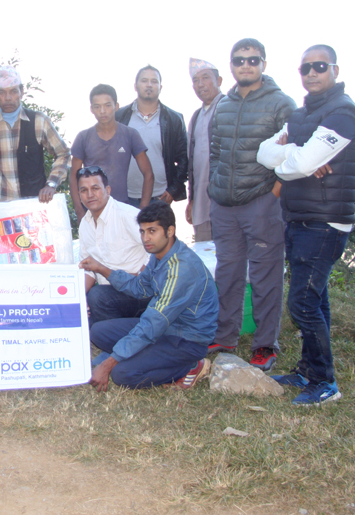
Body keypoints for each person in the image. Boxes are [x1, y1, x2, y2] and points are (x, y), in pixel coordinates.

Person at [257, 44, 355, 406]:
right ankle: (308, 370)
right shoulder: (303, 114)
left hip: (325, 222)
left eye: (320, 66)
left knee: (303, 302)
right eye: (306, 68)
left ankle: (325, 383)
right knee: (315, 298)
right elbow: (264, 153)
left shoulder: (344, 114)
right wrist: (296, 153)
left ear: (334, 69)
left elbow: (298, 166)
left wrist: (293, 156)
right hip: (300, 217)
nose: (312, 73)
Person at [208, 38, 297, 371]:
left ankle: (264, 344)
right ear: (231, 65)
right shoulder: (224, 104)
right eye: (239, 60)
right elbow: (216, 150)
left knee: (265, 275)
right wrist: (212, 186)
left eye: (252, 60)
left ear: (263, 64)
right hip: (223, 204)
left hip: (261, 202)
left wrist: (274, 193)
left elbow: (293, 155)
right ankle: (225, 335)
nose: (245, 66)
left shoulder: (281, 104)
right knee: (228, 272)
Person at [80, 201, 218, 390]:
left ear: (170, 231)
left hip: (187, 340)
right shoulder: (159, 255)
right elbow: (140, 288)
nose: (146, 238)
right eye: (143, 231)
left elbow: (153, 323)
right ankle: (143, 354)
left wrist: (109, 363)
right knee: (99, 332)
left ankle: (191, 367)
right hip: (167, 329)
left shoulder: (181, 268)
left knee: (122, 374)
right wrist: (102, 269)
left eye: (152, 231)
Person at [0, 66, 70, 212]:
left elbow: (63, 154)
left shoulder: (39, 121)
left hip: (33, 206)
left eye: (13, 91)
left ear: (22, 92)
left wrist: (51, 184)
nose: (8, 98)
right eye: (2, 93)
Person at [76, 166, 150, 326]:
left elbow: (158, 253)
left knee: (97, 297)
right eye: (84, 190)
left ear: (107, 190)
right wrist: (77, 299)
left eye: (95, 188)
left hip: (139, 290)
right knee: (79, 309)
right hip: (111, 293)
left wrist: (139, 278)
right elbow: (88, 270)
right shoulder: (85, 224)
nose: (90, 195)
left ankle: (125, 339)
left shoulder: (129, 216)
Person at [69, 84, 154, 220]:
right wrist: (80, 212)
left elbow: (148, 173)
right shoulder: (83, 137)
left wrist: (142, 209)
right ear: (91, 109)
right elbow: (73, 176)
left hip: (122, 209)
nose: (103, 111)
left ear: (117, 106)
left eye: (107, 105)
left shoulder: (130, 134)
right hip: (92, 212)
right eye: (97, 106)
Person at [115, 65, 188, 208]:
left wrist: (173, 190)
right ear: (135, 86)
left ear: (161, 87)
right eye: (144, 80)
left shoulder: (174, 119)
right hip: (123, 197)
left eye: (154, 81)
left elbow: (184, 159)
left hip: (159, 197)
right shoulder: (119, 117)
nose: (149, 85)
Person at [185, 58, 225, 242]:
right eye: (195, 80)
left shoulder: (230, 108)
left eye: (205, 78)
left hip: (227, 205)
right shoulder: (196, 116)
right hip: (201, 206)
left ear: (219, 81)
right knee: (206, 261)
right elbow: (191, 163)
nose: (200, 84)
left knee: (231, 262)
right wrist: (191, 200)